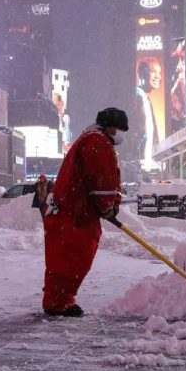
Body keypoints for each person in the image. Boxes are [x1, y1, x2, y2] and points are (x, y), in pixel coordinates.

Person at [40, 108, 126, 317]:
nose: (122, 134)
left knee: (62, 260)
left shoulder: (88, 139)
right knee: (73, 259)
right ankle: (58, 302)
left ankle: (57, 299)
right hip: (76, 215)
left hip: (70, 212)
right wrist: (107, 206)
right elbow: (102, 181)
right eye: (122, 129)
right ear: (111, 127)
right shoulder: (98, 143)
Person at [130, 58, 163, 171]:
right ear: (141, 73)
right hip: (138, 165)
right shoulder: (135, 98)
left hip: (144, 165)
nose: (158, 76)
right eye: (153, 71)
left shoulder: (144, 99)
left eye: (160, 73)